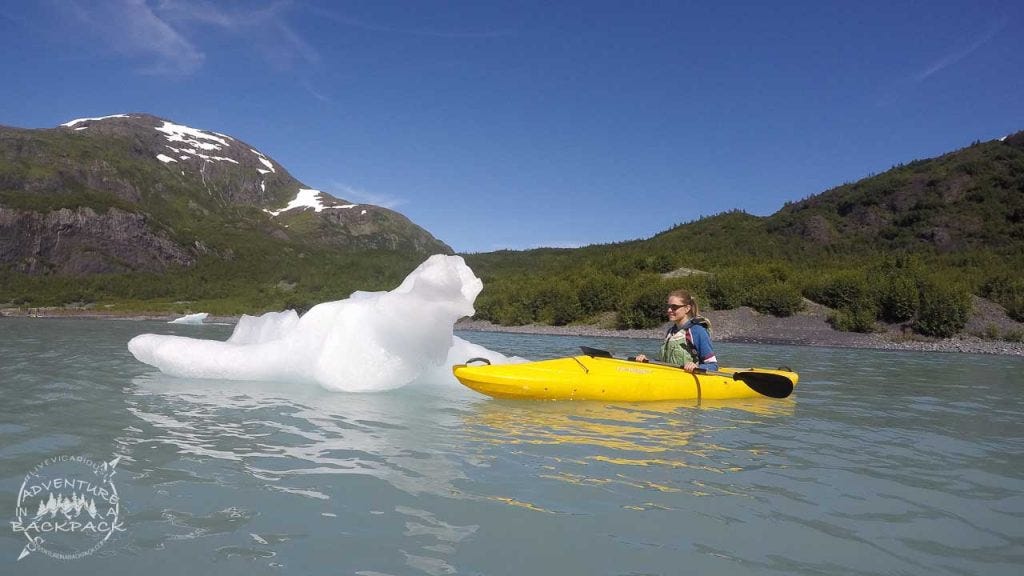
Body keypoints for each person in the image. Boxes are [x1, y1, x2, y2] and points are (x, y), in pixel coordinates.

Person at [635, 290, 718, 372]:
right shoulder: (671, 332)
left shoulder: (697, 331)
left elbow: (712, 365)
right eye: (668, 307)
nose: (669, 310)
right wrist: (647, 361)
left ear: (687, 308)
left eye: (674, 307)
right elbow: (664, 362)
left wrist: (696, 366)